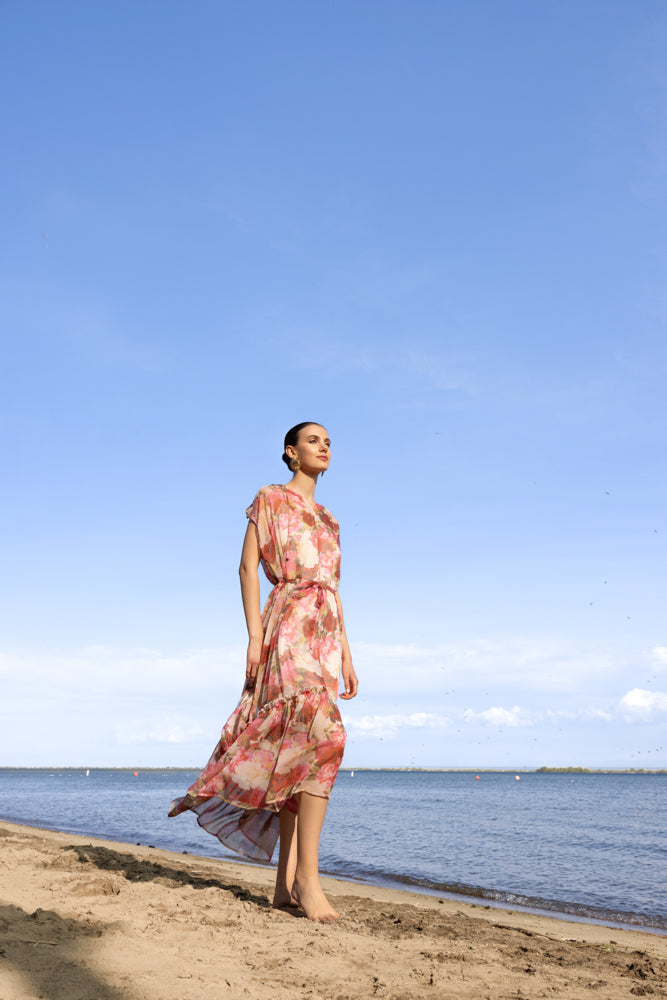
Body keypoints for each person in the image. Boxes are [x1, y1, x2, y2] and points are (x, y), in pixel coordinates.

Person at [169, 421, 358, 922]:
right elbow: (246, 566)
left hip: (324, 634)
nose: (324, 447)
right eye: (313, 441)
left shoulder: (330, 519)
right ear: (291, 452)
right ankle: (307, 879)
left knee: (302, 751)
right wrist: (255, 634)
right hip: (287, 626)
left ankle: (284, 886)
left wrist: (347, 653)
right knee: (328, 736)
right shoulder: (270, 497)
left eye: (329, 442)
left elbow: (333, 589)